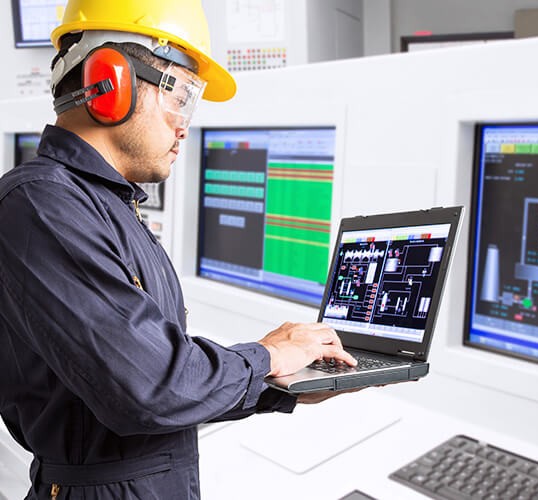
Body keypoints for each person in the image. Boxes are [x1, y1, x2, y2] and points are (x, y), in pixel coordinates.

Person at [0, 0, 357, 498]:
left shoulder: (103, 205)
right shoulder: (41, 205)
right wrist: (268, 357)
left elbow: (157, 374)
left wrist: (280, 384)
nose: (185, 125)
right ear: (111, 82)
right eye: (182, 95)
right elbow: (149, 387)